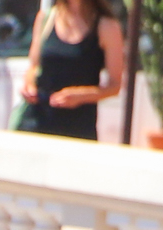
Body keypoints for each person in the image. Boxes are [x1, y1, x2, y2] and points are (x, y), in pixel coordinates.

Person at [15, 0, 126, 142]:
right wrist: (29, 85)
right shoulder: (47, 18)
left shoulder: (107, 26)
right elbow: (34, 67)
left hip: (77, 128)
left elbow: (114, 86)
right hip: (35, 123)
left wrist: (80, 95)